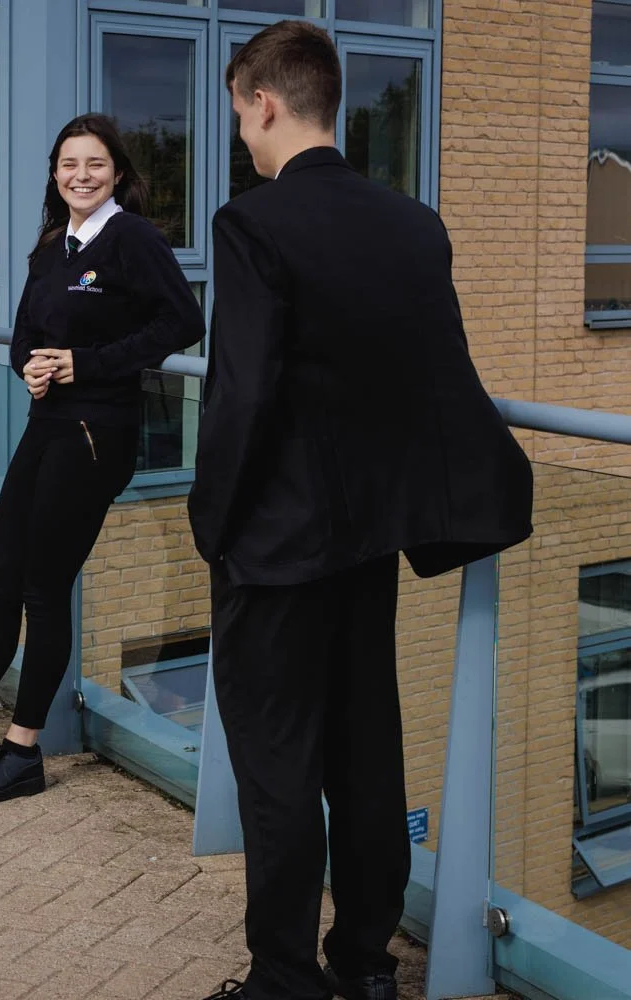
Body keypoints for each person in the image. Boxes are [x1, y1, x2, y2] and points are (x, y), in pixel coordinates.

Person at [186, 22, 532, 1000]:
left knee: (278, 763)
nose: (242, 141)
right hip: (367, 541)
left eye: (239, 116)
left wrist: (212, 523)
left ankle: (287, 977)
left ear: (262, 101)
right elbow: (429, 378)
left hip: (274, 546)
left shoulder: (251, 223)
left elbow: (242, 395)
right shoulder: (412, 224)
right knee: (365, 750)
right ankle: (367, 964)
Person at [0, 113, 204, 804]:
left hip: (97, 433)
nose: (80, 176)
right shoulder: (53, 244)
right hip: (47, 423)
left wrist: (84, 364)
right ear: (55, 175)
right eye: (68, 165)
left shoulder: (133, 239)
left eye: (94, 164)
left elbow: (181, 321)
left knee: (42, 588)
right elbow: (29, 331)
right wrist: (31, 366)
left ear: (117, 172)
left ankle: (23, 748)